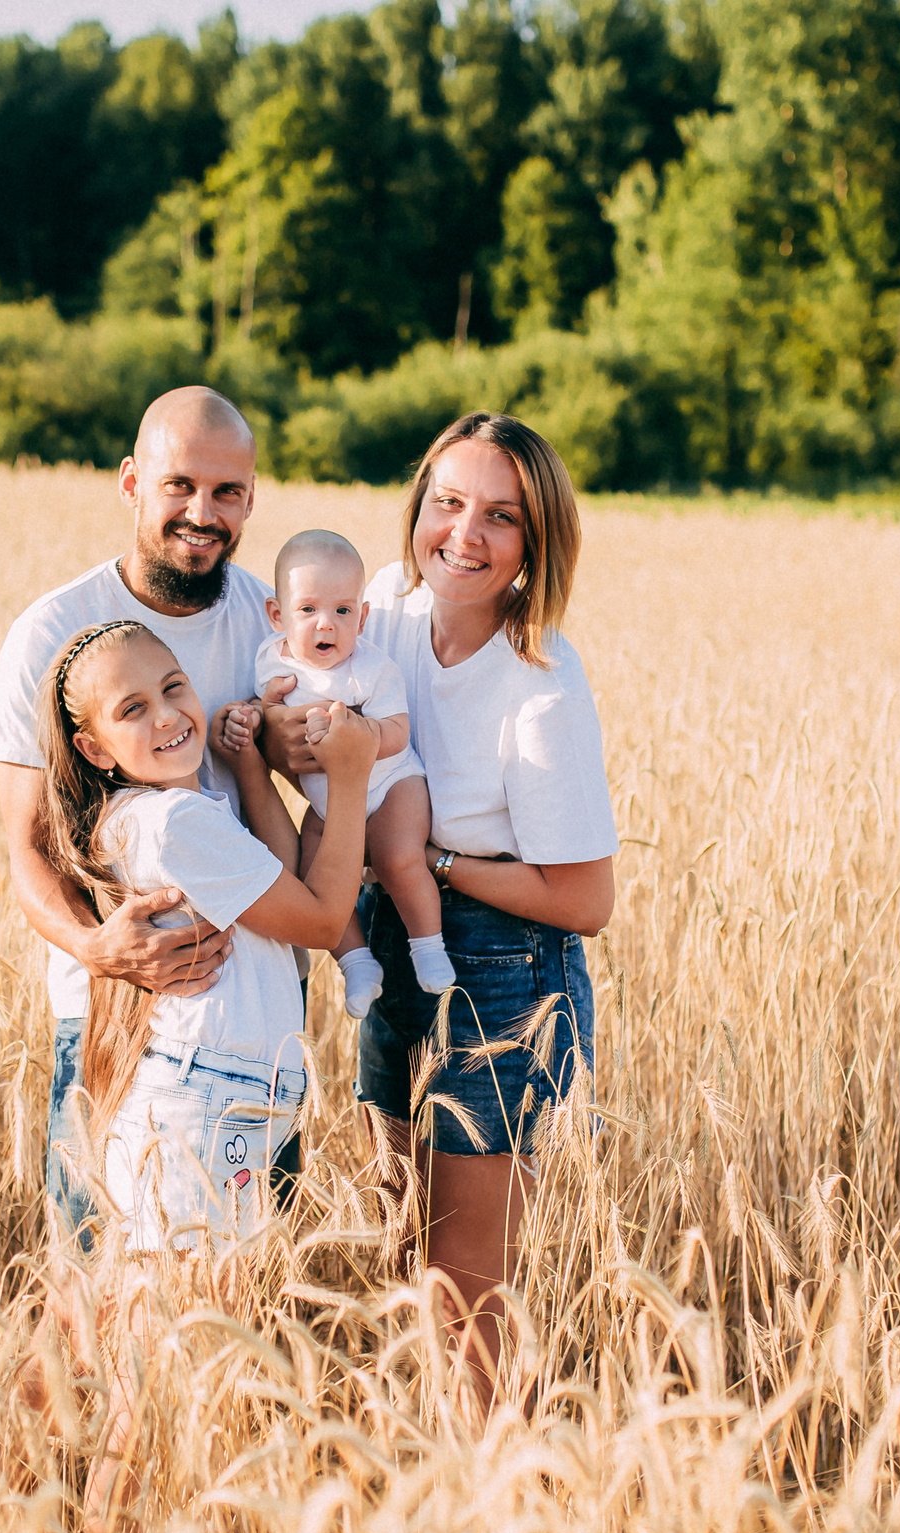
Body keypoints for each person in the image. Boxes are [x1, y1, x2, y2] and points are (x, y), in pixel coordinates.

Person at [260, 412, 617, 1412]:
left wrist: (427, 859)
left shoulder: (541, 683)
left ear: (535, 545)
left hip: (503, 966)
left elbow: (585, 899)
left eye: (500, 517)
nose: (464, 533)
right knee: (396, 1236)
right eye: (447, 503)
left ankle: (497, 1494)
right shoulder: (377, 607)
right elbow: (314, 737)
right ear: (417, 509)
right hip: (386, 933)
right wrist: (291, 745)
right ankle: (430, 1470)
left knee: (467, 1287)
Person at [30, 615, 375, 1533]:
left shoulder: (185, 811)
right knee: (157, 1383)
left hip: (215, 1107)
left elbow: (286, 880)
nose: (170, 715)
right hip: (204, 1117)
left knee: (159, 1361)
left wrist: (253, 774)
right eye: (133, 709)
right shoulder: (175, 822)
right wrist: (346, 781)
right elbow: (319, 913)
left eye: (174, 688)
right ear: (94, 747)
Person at [0, 387, 288, 1239]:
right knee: (89, 1288)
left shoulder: (273, 628)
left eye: (228, 492)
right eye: (179, 486)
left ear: (251, 499)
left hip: (254, 1027)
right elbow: (29, 848)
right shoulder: (53, 632)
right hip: (114, 1019)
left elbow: (333, 774)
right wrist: (96, 947)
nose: (203, 512)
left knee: (231, 1304)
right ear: (131, 484)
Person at [223, 528, 451, 1016]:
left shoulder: (370, 668)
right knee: (313, 874)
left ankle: (428, 946)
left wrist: (358, 737)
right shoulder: (270, 659)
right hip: (328, 803)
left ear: (362, 617)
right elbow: (265, 713)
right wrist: (255, 715)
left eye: (343, 611)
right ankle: (356, 962)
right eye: (307, 610)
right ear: (277, 615)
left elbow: (397, 729)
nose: (326, 625)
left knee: (398, 857)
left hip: (392, 784)